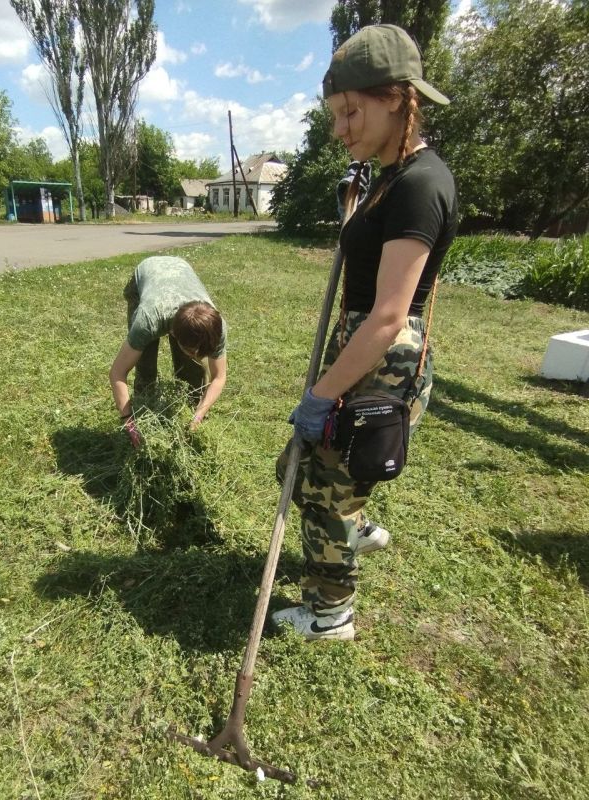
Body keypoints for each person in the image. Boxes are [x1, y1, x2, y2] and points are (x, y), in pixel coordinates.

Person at [272, 24, 458, 641]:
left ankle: (331, 612)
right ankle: (357, 525)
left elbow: (387, 316)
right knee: (320, 467)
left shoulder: (419, 185)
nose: (340, 128)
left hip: (383, 356)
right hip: (363, 345)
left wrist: (322, 394)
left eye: (351, 111)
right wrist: (354, 208)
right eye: (334, 115)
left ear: (399, 99)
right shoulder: (387, 177)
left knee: (319, 485)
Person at [109, 255, 228, 445]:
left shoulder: (216, 327)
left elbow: (219, 377)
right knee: (145, 365)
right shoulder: (147, 321)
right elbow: (117, 373)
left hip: (180, 267)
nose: (196, 356)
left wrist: (199, 414)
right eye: (191, 350)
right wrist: (128, 422)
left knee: (193, 371)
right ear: (174, 333)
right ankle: (144, 412)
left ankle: (189, 416)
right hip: (147, 274)